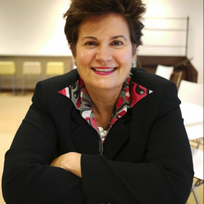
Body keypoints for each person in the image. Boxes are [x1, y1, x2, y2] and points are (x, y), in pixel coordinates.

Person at [2, 0, 194, 203]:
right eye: (91, 43)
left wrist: (77, 163)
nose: (104, 56)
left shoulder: (158, 96)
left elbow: (174, 187)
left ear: (134, 51)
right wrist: (130, 188)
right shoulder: (52, 95)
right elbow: (17, 183)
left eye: (117, 43)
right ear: (74, 51)